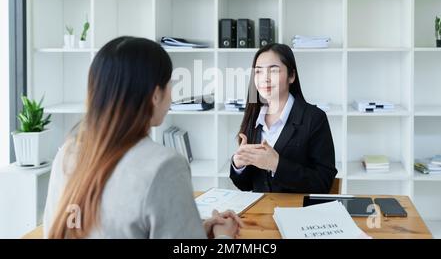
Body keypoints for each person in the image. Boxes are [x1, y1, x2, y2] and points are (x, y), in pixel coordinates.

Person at [43, 36, 242, 239]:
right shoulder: (165, 165)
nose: (172, 95)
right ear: (155, 95)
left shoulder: (67, 154)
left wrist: (195, 228)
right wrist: (223, 237)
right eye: (170, 84)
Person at [230, 43, 337, 193]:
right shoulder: (254, 117)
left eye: (273, 70)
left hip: (297, 212)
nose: (264, 79)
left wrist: (276, 164)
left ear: (291, 76)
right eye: (258, 72)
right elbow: (246, 185)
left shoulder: (314, 118)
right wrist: (239, 165)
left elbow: (323, 183)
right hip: (261, 211)